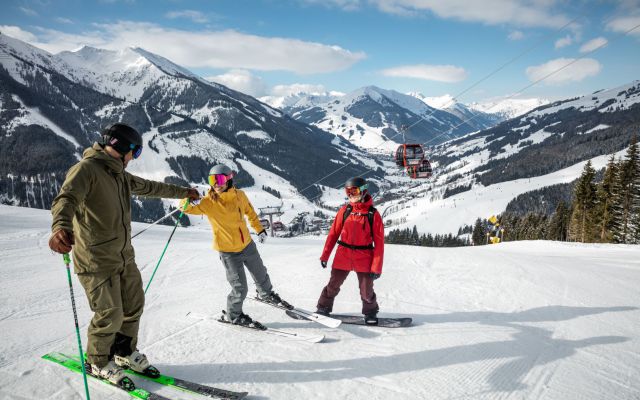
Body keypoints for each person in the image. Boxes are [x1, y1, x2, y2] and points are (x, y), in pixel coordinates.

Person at [48, 123, 200, 389]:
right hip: (96, 261)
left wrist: (182, 192)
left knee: (133, 305)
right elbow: (66, 199)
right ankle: (97, 361)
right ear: (122, 148)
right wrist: (60, 227)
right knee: (110, 314)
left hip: (123, 257)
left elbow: (150, 187)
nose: (135, 158)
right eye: (136, 153)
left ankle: (124, 352)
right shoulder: (87, 170)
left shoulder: (118, 174)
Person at [180, 164, 290, 328]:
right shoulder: (208, 202)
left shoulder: (240, 195)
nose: (216, 184)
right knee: (240, 288)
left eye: (220, 179)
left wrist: (259, 229)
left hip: (247, 245)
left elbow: (250, 213)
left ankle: (265, 294)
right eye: (212, 180)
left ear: (229, 179)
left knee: (261, 273)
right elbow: (184, 208)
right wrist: (187, 196)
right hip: (228, 252)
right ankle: (233, 315)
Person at [316, 177, 384, 325]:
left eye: (354, 191)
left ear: (364, 191)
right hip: (343, 255)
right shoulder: (345, 211)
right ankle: (323, 307)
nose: (351, 195)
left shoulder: (373, 214)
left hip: (364, 256)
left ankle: (370, 312)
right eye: (348, 191)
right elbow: (333, 234)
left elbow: (379, 244)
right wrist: (325, 255)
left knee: (366, 291)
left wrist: (376, 267)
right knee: (333, 285)